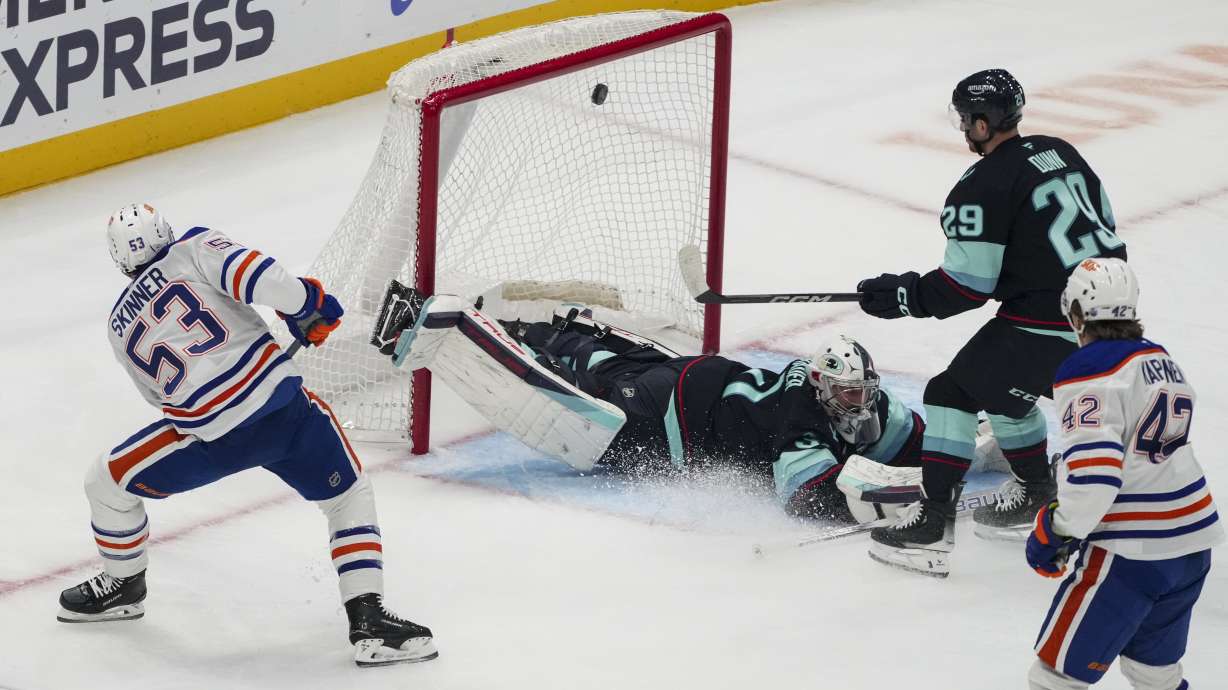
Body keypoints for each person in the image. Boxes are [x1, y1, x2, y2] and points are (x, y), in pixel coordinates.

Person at [58, 204, 437, 668]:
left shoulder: (118, 325)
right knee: (348, 495)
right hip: (284, 412)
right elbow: (260, 276)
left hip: (211, 438)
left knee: (105, 482)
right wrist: (306, 304)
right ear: (166, 232)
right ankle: (369, 619)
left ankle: (123, 585)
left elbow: (158, 398)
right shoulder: (193, 247)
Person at [856, 68, 1129, 576]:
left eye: (965, 118)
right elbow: (1100, 226)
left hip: (1047, 323)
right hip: (1112, 313)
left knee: (950, 393)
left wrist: (903, 294)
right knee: (1003, 387)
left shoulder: (981, 183)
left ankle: (931, 524)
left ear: (982, 124)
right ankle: (1035, 493)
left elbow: (966, 287)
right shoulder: (1060, 151)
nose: (963, 127)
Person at [369, 283, 926, 523]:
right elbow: (804, 497)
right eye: (847, 392)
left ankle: (528, 325)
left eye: (862, 392)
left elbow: (922, 436)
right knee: (586, 388)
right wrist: (888, 497)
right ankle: (447, 325)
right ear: (825, 387)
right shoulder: (803, 420)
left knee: (601, 361)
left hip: (691, 376)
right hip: (669, 418)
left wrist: (962, 456)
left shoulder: (853, 401)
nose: (857, 402)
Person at [1026, 258, 1222, 690]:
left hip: (1133, 551)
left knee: (1054, 677)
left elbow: (1096, 477)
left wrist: (1055, 531)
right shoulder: (1158, 357)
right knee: (1154, 674)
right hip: (1192, 545)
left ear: (1076, 313)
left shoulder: (1086, 369)